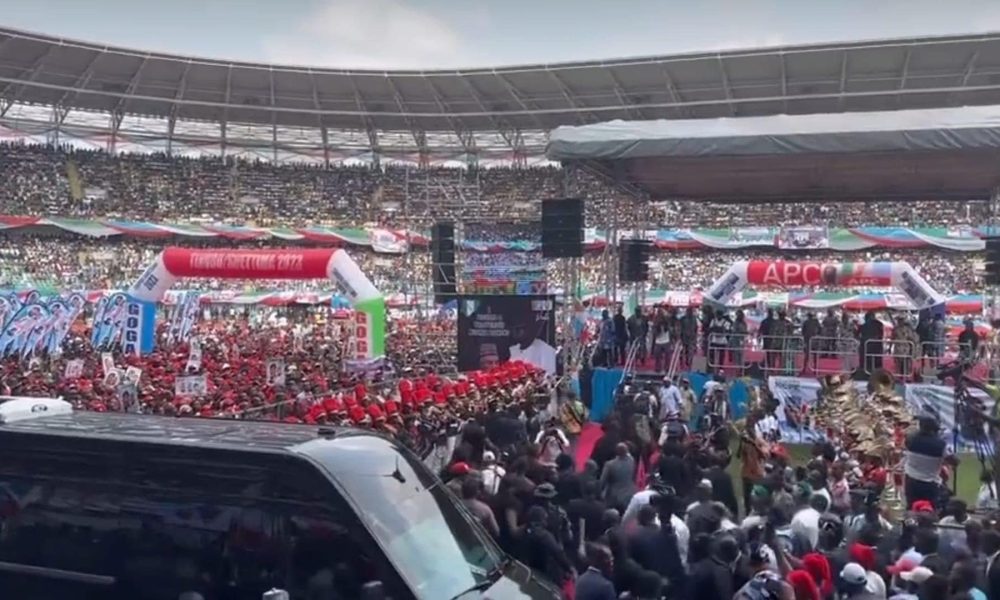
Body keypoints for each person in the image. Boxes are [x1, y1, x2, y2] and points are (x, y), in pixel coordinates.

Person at [903, 415, 946, 509]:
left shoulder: (910, 439)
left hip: (911, 479)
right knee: (930, 508)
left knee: (911, 507)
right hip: (930, 482)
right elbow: (953, 461)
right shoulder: (940, 444)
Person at [600, 443, 637, 512]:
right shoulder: (632, 461)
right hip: (629, 494)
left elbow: (602, 481)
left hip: (613, 497)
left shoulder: (609, 465)